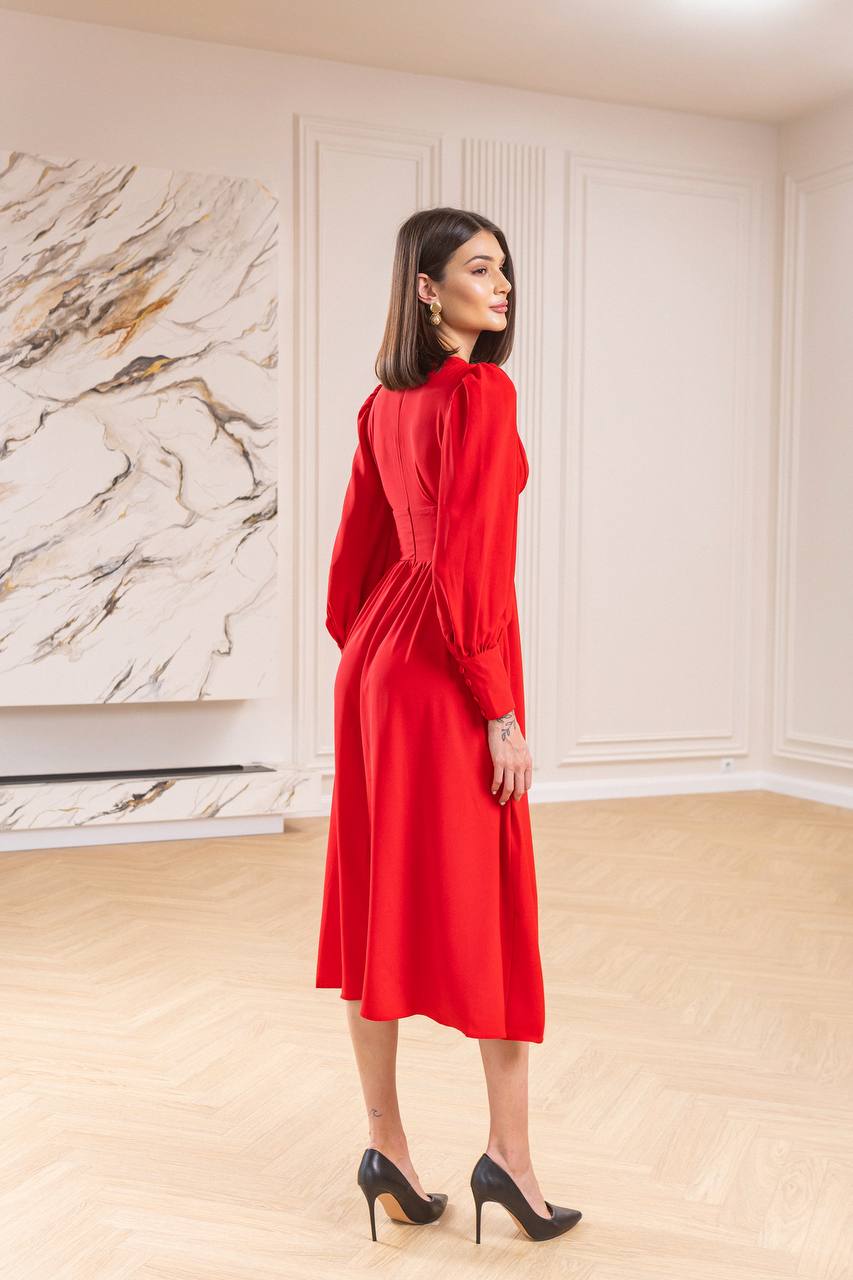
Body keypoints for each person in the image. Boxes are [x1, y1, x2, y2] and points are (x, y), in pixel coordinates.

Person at [315, 207, 582, 1244]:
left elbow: (350, 567)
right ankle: (509, 1161)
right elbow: (469, 565)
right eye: (479, 268)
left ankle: (385, 1144)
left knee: (377, 899)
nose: (501, 284)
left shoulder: (380, 406)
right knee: (498, 908)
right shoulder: (482, 390)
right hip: (448, 668)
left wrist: (372, 657)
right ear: (427, 289)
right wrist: (496, 707)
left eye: (505, 268)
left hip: (379, 669)